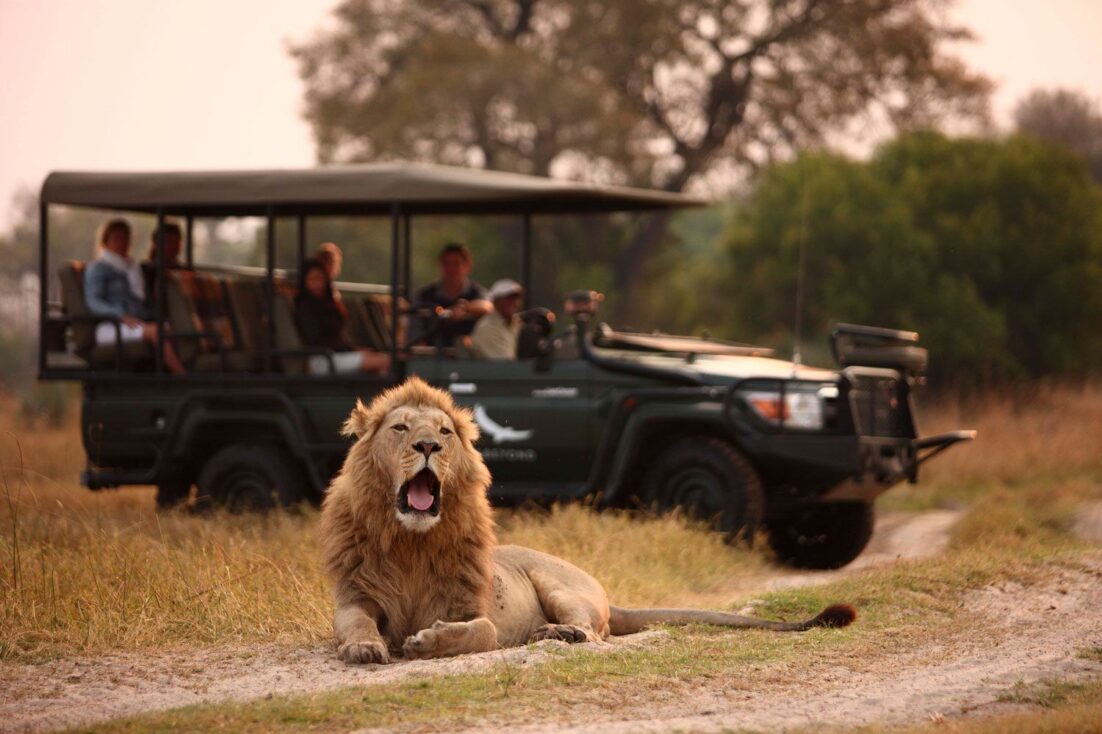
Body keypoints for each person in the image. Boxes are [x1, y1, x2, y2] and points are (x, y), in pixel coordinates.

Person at [84, 219, 185, 374]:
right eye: (117, 238)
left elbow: (140, 301)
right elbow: (93, 301)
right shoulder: (98, 268)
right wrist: (120, 315)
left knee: (171, 328)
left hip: (134, 322)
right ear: (106, 242)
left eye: (126, 238)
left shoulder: (131, 269)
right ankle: (182, 376)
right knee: (157, 331)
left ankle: (172, 370)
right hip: (111, 325)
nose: (122, 243)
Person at [294, 258, 390, 374]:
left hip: (335, 355)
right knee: (383, 361)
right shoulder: (304, 307)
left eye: (320, 279)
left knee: (382, 359)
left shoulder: (328, 304)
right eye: (312, 279)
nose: (317, 284)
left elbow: (336, 337)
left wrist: (353, 350)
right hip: (320, 358)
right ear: (304, 282)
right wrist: (352, 350)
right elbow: (317, 341)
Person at [415, 243, 492, 347]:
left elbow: (488, 306)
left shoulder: (477, 292)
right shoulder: (424, 295)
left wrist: (465, 308)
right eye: (446, 264)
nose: (451, 269)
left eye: (456, 263)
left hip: (469, 358)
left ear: (467, 266)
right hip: (432, 357)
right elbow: (415, 333)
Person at [470, 279, 524, 359]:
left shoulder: (515, 324)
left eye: (515, 298)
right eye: (507, 298)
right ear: (495, 301)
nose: (513, 302)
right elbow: (505, 366)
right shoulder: (487, 327)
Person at [141, 220, 184, 310]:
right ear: (156, 245)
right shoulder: (145, 271)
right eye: (169, 242)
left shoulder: (185, 271)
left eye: (176, 242)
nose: (173, 246)